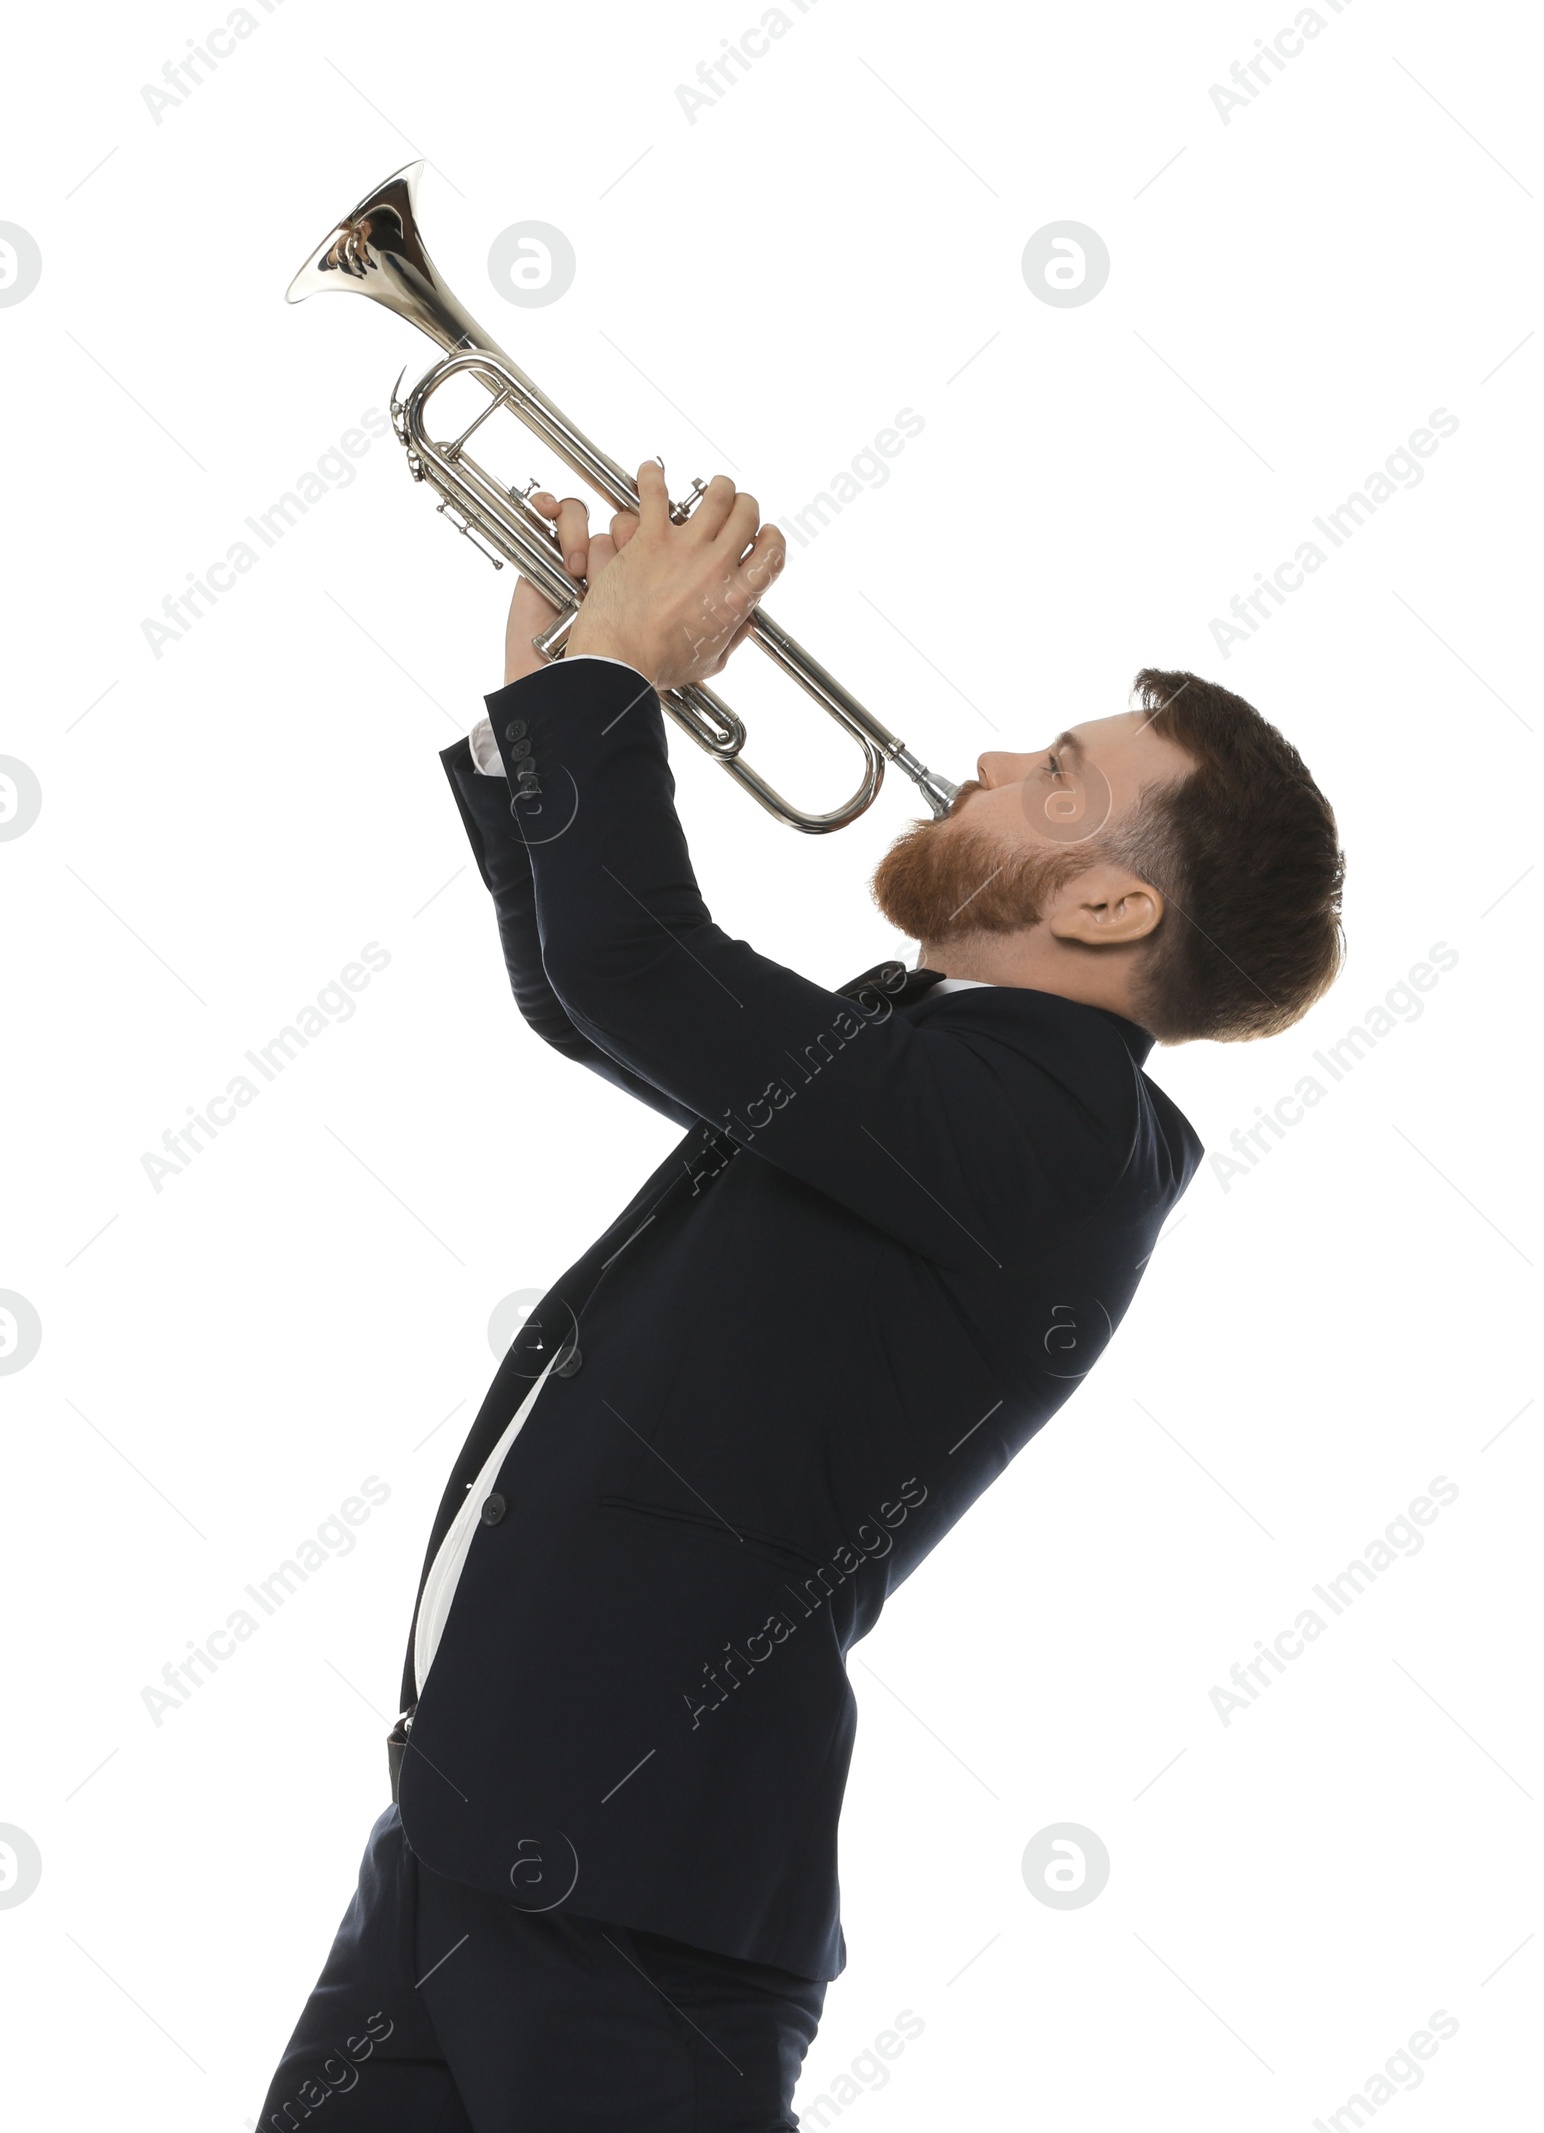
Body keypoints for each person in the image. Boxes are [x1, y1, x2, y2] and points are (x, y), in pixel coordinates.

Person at [256, 465, 1345, 2133]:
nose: (986, 763)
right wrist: (558, 684)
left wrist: (616, 684)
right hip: (471, 1844)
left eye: (1053, 779)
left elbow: (640, 968)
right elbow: (593, 999)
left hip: (634, 1909)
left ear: (1110, 905)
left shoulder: (1058, 1138)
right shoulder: (948, 1068)